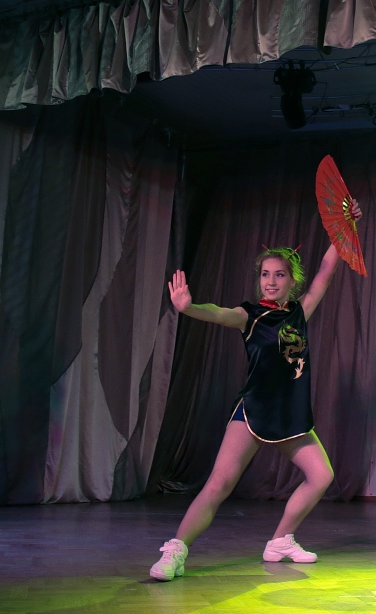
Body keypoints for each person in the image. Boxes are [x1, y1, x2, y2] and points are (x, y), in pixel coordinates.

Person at [149, 201, 361, 581]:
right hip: (254, 410)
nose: (271, 281)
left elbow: (327, 270)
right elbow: (218, 313)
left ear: (292, 281)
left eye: (279, 275)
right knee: (219, 484)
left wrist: (345, 226)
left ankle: (280, 540)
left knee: (321, 476)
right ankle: (176, 551)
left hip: (290, 415)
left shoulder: (300, 312)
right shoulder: (250, 315)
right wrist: (189, 307)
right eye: (265, 274)